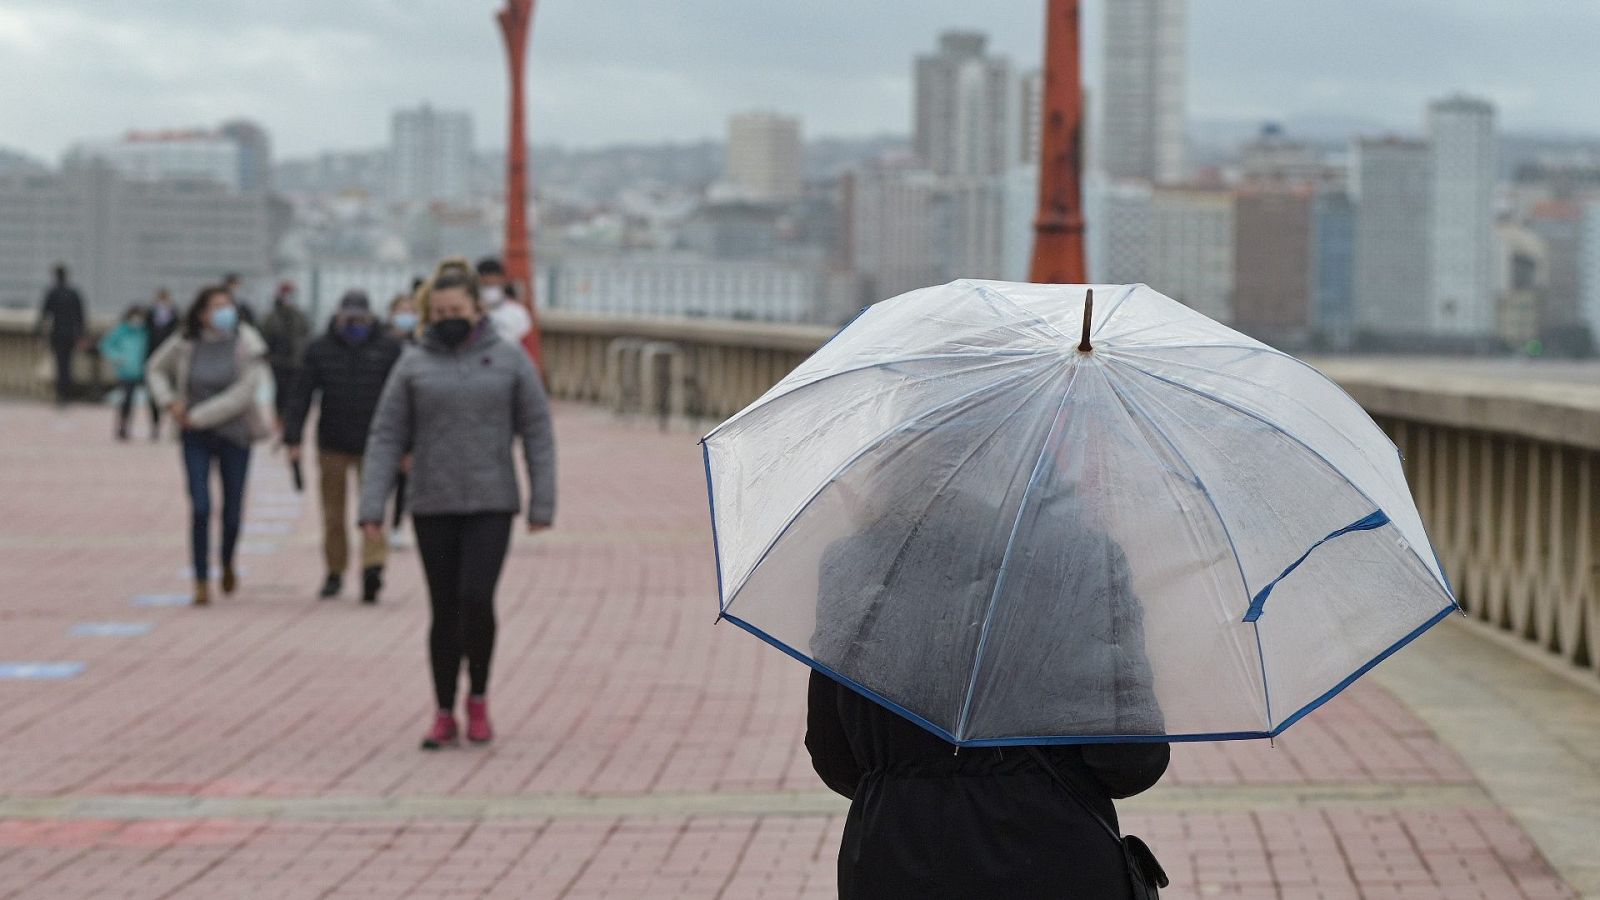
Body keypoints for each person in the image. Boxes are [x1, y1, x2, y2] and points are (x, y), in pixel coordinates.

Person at [803, 465, 1169, 899]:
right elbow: (1132, 762)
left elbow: (833, 755)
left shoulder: (855, 566)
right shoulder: (1084, 560)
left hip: (892, 858)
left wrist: (910, 782)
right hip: (1056, 861)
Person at [358, 258, 555, 750]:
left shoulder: (509, 359)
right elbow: (386, 435)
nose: (448, 316)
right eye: (440, 309)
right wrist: (372, 505)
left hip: (492, 500)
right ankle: (444, 709)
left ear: (476, 310)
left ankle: (480, 699)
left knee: (476, 599)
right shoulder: (413, 362)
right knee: (443, 608)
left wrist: (541, 502)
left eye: (457, 309)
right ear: (429, 312)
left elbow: (537, 430)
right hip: (433, 500)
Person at [146, 285, 272, 607]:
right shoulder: (186, 343)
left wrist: (197, 416)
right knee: (200, 506)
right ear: (202, 313)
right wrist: (169, 402)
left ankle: (227, 561)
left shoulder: (247, 343)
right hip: (195, 438)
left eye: (228, 305)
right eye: (217, 306)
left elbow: (244, 392)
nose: (224, 311)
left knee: (232, 511)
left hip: (235, 435)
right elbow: (155, 370)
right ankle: (201, 579)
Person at [281, 291, 403, 603]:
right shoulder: (319, 349)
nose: (354, 323)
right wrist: (293, 438)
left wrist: (407, 444)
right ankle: (335, 570)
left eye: (360, 318)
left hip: (376, 443)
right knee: (333, 513)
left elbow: (404, 401)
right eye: (348, 317)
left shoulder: (389, 349)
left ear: (371, 317)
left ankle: (372, 567)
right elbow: (301, 396)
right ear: (337, 316)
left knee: (373, 509)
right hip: (332, 443)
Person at [384, 292, 422, 550]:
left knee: (404, 477)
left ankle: (397, 524)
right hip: (384, 418)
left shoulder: (422, 345)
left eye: (411, 310)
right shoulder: (382, 345)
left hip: (412, 419)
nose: (406, 316)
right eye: (401, 310)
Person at [259, 281, 311, 424]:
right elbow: (265, 337)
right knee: (280, 392)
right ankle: (280, 419)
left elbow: (306, 335)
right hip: (278, 362)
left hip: (297, 361)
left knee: (294, 392)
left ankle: (289, 419)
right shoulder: (272, 317)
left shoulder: (300, 316)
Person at [97, 305, 151, 441]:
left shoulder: (144, 332)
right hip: (125, 372)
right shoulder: (122, 331)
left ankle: (150, 428)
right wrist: (117, 357)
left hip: (142, 371)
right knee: (126, 401)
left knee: (146, 402)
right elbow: (105, 345)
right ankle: (122, 427)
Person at [37, 264, 86, 407]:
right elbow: (80, 316)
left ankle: (61, 395)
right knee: (68, 366)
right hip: (71, 335)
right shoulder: (74, 293)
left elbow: (44, 315)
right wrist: (80, 335)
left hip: (57, 334)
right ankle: (67, 395)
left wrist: (40, 334)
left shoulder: (52, 293)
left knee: (60, 365)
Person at [145, 288, 181, 439]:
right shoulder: (150, 315)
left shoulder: (175, 316)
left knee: (176, 394)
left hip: (173, 362)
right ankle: (155, 426)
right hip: (152, 357)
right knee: (153, 396)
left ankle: (175, 427)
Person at [475, 257, 531, 345]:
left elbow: (525, 340)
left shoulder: (518, 311)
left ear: (503, 281)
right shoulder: (472, 311)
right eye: (485, 285)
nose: (489, 289)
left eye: (492, 284)